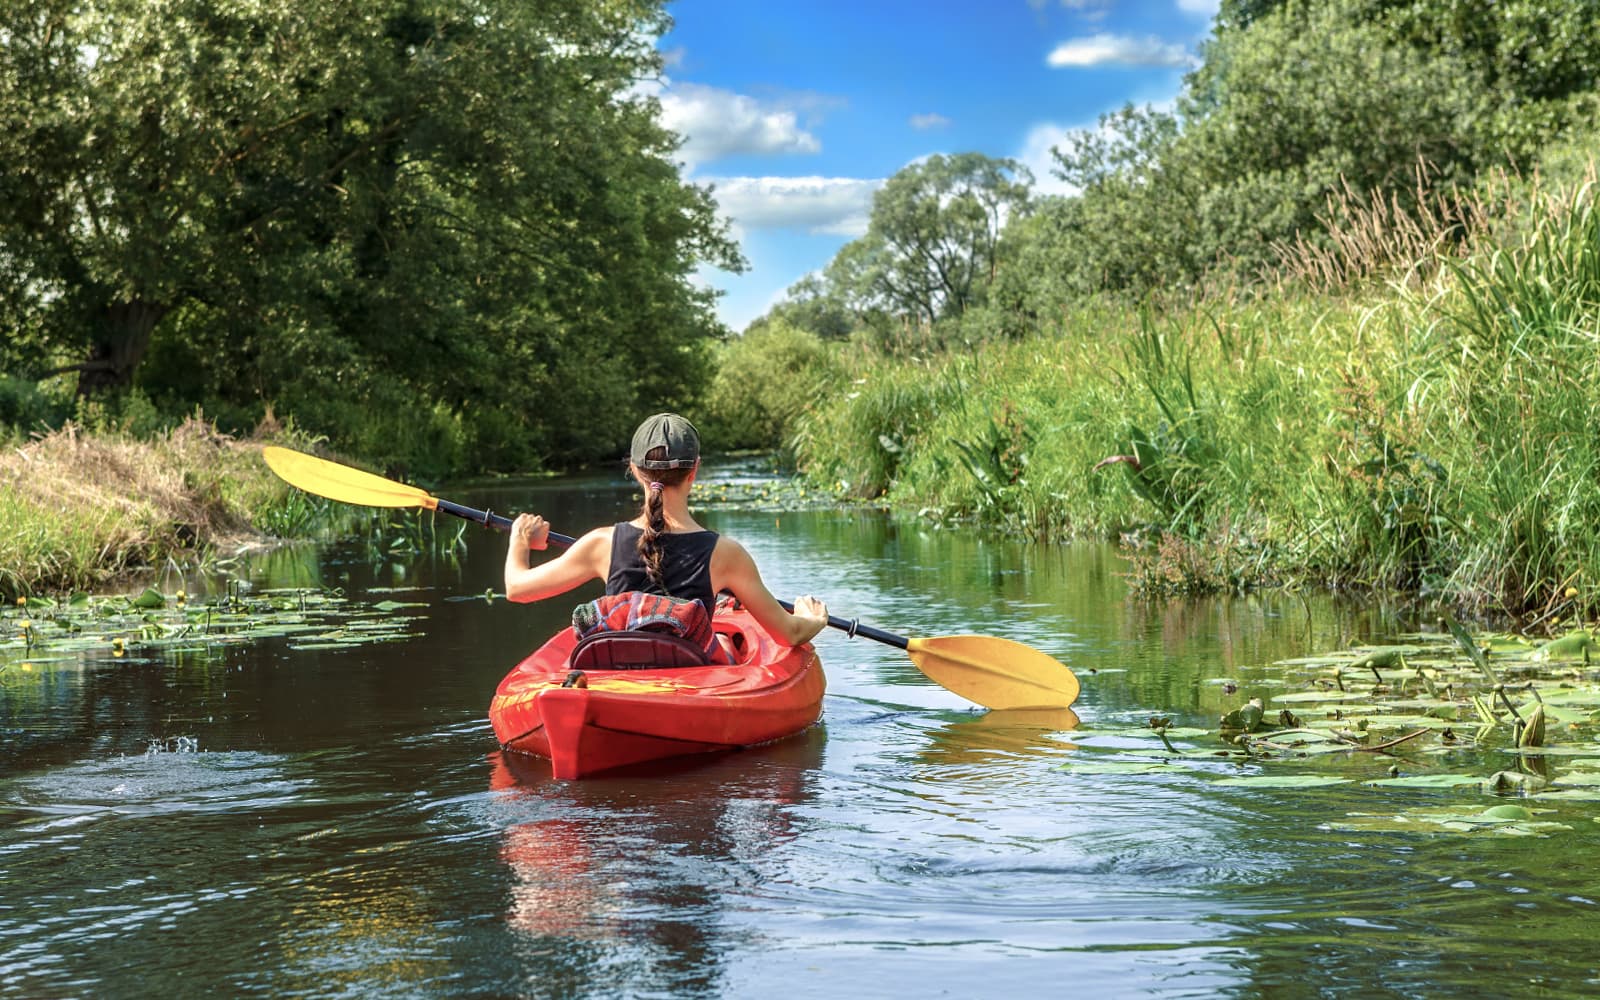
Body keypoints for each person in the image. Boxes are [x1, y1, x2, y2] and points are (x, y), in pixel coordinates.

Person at [504, 413, 829, 648]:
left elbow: (517, 589)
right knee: (724, 643)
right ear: (695, 470)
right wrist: (811, 619)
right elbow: (789, 634)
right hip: (690, 678)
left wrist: (520, 540)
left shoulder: (602, 544)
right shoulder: (726, 554)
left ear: (633, 469)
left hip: (620, 673)